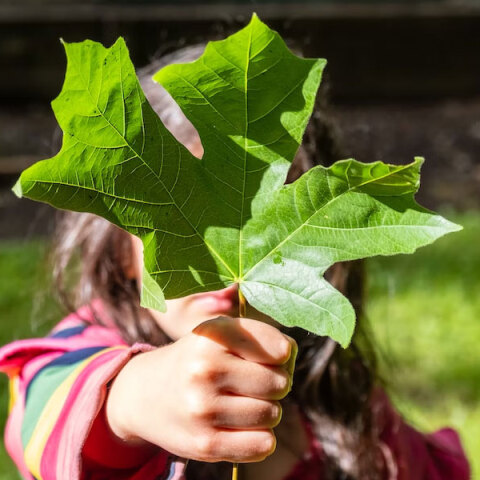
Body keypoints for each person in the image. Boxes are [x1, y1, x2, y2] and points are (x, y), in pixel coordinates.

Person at [0, 45, 470, 480]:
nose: (218, 251)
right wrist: (134, 401)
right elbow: (45, 414)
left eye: (258, 222)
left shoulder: (342, 403)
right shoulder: (86, 348)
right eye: (188, 222)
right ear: (121, 250)